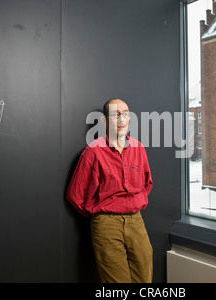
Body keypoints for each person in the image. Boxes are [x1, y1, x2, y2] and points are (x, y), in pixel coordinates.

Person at [66, 98, 153, 283]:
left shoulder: (138, 149)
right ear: (105, 121)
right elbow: (75, 195)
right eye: (116, 114)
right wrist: (101, 213)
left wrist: (135, 204)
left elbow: (147, 184)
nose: (122, 119)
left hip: (136, 221)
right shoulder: (93, 152)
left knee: (145, 280)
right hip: (107, 224)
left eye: (126, 114)